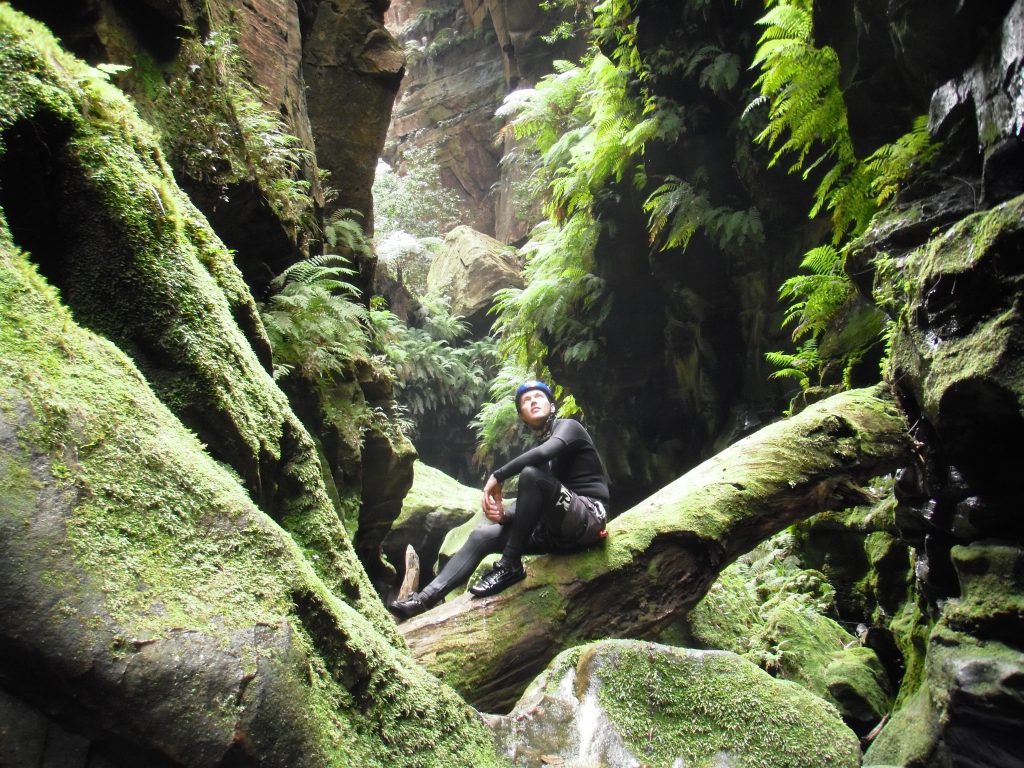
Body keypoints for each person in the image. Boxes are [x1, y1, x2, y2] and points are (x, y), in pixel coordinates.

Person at [388, 379, 611, 620]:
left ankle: (509, 566)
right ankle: (422, 600)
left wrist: (499, 474)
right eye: (526, 401)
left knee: (530, 475)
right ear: (522, 417)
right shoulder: (541, 459)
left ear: (552, 405)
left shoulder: (569, 428)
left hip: (589, 519)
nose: (533, 401)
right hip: (556, 534)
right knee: (482, 535)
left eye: (539, 397)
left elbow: (542, 460)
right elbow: (532, 500)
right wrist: (505, 516)